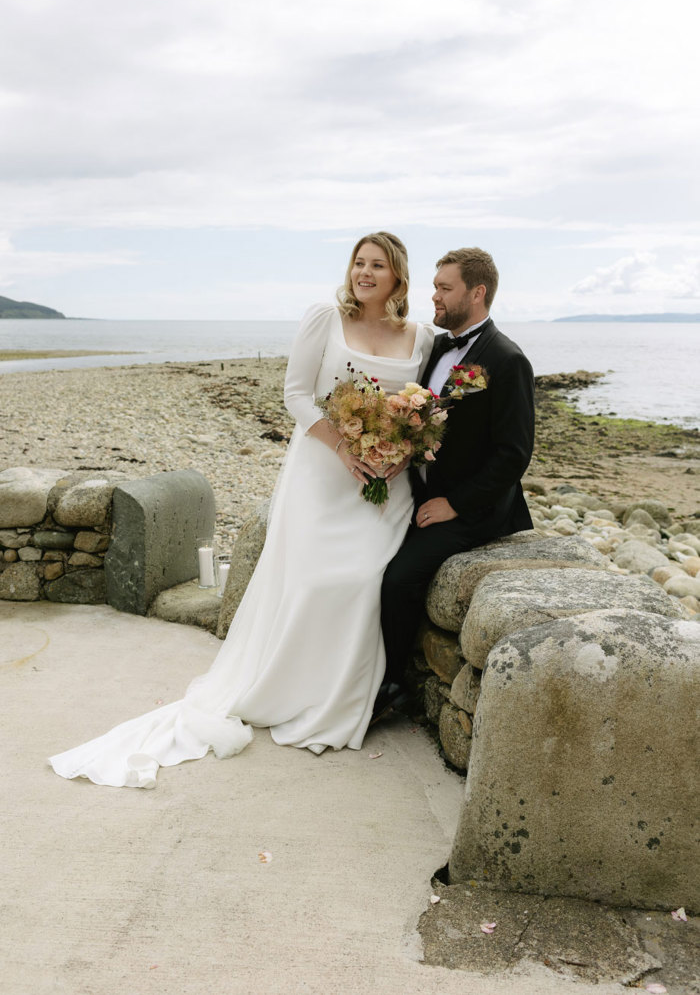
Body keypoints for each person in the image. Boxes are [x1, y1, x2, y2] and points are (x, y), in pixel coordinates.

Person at [49, 232, 434, 788]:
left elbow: (419, 409)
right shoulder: (325, 318)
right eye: (359, 263)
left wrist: (398, 453)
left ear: (398, 276)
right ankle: (290, 688)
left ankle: (343, 697)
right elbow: (297, 394)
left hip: (386, 482)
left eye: (378, 265)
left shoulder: (420, 337)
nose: (365, 273)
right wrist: (347, 445)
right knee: (313, 580)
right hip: (324, 473)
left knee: (364, 579)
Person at [377, 247, 534, 713]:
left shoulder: (507, 360)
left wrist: (455, 505)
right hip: (422, 492)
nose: (434, 297)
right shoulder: (440, 346)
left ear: (477, 293)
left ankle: (391, 686)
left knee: (399, 579)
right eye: (436, 287)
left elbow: (514, 454)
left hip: (474, 510)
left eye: (445, 289)